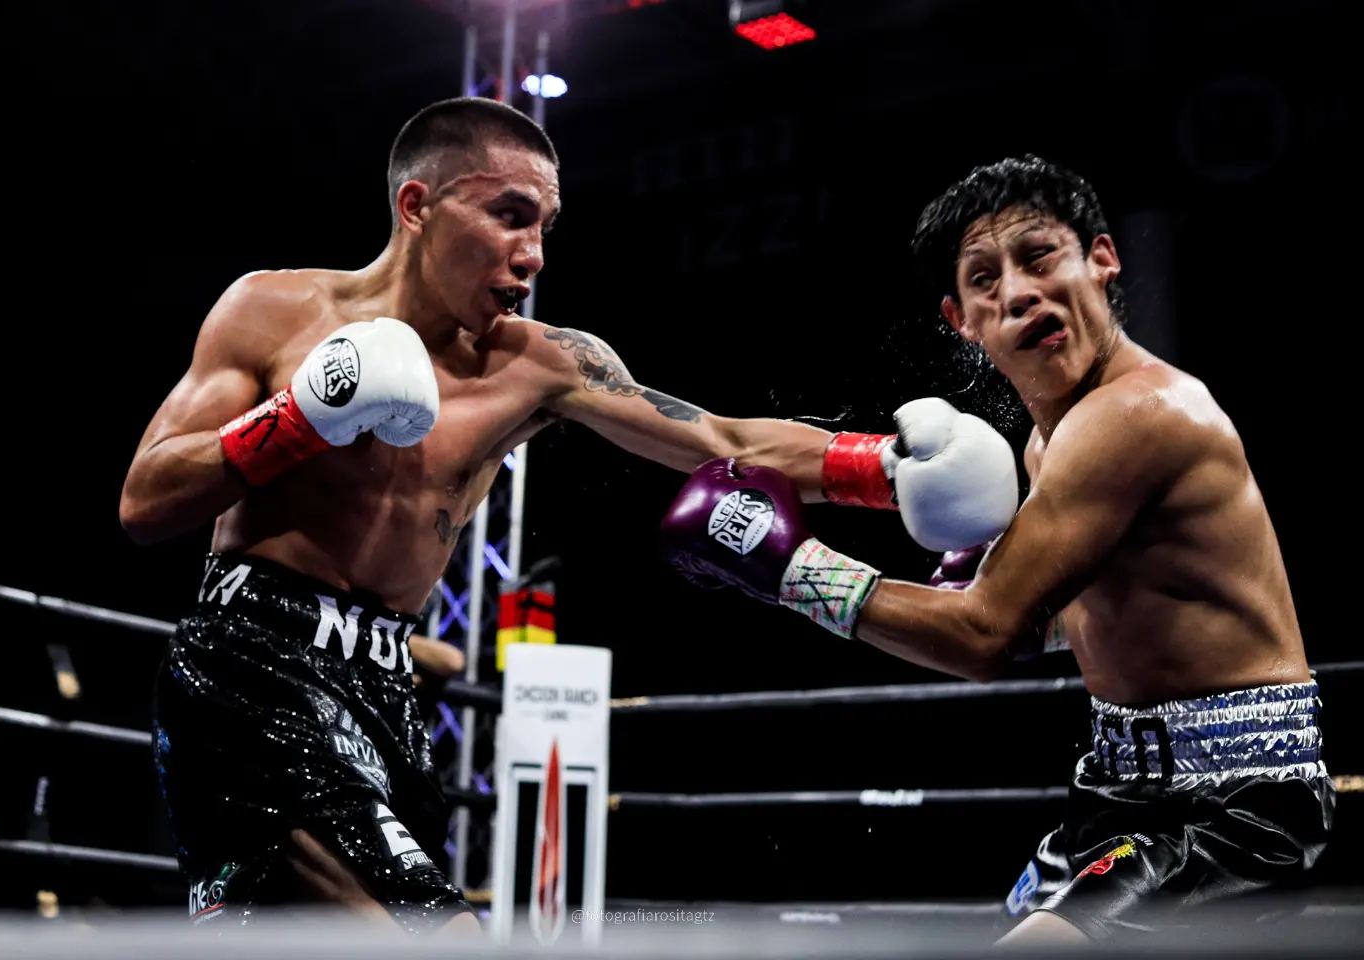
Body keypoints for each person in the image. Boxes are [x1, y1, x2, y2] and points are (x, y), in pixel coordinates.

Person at [119, 97, 1020, 930]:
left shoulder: (541, 364)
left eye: (545, 226)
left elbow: (716, 436)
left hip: (384, 690)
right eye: (510, 214)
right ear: (416, 205)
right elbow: (146, 499)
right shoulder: (274, 310)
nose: (535, 254)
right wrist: (301, 418)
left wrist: (884, 469)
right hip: (252, 665)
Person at [661, 156, 1332, 942]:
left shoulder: (1140, 413)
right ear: (963, 321)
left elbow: (985, 638)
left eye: (1040, 256)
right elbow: (1117, 609)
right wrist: (1006, 607)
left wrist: (790, 568)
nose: (1018, 292)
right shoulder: (1048, 449)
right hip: (1118, 792)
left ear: (1102, 260)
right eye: (986, 278)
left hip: (1234, 806)